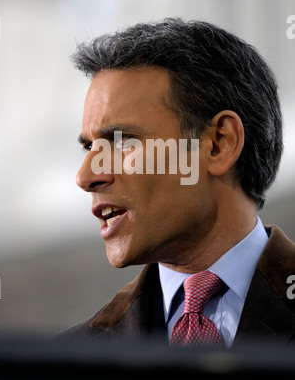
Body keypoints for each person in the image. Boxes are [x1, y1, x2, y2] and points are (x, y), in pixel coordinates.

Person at [57, 18, 295, 347]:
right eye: (89, 147)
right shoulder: (71, 358)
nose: (86, 177)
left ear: (218, 143)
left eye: (122, 140)